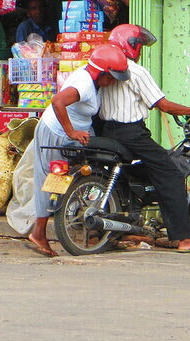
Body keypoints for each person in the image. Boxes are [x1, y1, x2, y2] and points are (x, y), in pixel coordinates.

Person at [103, 24, 190, 253]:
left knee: (139, 170)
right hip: (132, 134)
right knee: (170, 173)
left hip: (106, 131)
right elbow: (163, 105)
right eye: (140, 46)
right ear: (131, 46)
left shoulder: (102, 67)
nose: (142, 51)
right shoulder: (135, 71)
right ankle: (184, 239)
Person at [28, 45, 131, 258]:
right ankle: (38, 233)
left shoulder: (94, 82)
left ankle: (92, 230)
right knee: (52, 180)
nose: (112, 82)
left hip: (80, 131)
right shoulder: (84, 83)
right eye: (111, 77)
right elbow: (57, 101)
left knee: (82, 173)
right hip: (55, 131)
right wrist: (71, 131)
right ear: (101, 73)